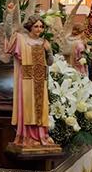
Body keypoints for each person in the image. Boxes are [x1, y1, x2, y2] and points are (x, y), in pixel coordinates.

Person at [6, 15, 55, 148]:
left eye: (41, 26)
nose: (39, 29)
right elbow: (8, 34)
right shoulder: (22, 40)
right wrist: (10, 15)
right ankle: (27, 136)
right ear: (30, 27)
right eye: (36, 26)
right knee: (28, 107)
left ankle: (41, 136)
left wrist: (49, 51)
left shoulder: (44, 42)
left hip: (41, 80)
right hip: (26, 79)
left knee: (41, 108)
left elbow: (50, 62)